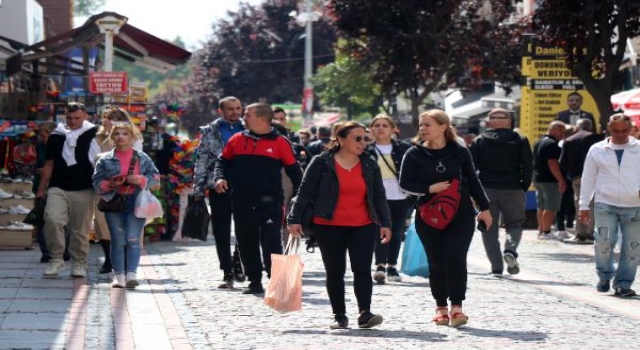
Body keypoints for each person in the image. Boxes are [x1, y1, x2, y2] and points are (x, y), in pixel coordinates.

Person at [288, 121, 391, 329]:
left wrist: (385, 222)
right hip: (328, 224)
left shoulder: (370, 163)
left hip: (363, 224)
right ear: (341, 139)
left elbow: (379, 195)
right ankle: (339, 315)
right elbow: (305, 192)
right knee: (335, 271)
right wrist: (293, 219)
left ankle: (365, 313)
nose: (363, 142)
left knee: (362, 269)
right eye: (357, 138)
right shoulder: (321, 162)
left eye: (365, 138)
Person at [399, 109, 491, 327]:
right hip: (428, 215)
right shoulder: (413, 153)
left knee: (456, 257)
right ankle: (440, 307)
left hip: (461, 214)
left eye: (427, 125)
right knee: (437, 262)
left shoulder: (459, 152)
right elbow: (405, 184)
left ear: (443, 126)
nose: (422, 129)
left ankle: (457, 307)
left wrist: (485, 208)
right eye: (421, 125)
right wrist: (430, 188)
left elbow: (473, 181)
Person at [213, 102, 303, 295]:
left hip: (271, 203)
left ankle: (277, 280)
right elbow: (223, 162)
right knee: (246, 242)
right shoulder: (237, 139)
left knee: (271, 242)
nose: (243, 117)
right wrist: (219, 178)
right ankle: (254, 280)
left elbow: (295, 172)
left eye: (247, 114)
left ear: (262, 119)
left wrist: (302, 198)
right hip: (242, 201)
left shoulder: (280, 143)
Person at [579, 113, 640, 297]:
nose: (620, 135)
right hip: (605, 202)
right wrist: (583, 205)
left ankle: (623, 283)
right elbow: (588, 177)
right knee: (603, 242)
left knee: (632, 247)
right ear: (608, 129)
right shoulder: (597, 149)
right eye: (616, 131)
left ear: (631, 129)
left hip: (634, 205)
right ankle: (604, 275)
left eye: (624, 131)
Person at [37, 102, 101, 278]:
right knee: (53, 219)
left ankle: (79, 263)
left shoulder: (94, 134)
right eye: (69, 118)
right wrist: (41, 189)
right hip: (58, 186)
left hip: (85, 187)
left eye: (77, 118)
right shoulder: (57, 136)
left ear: (85, 116)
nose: (73, 122)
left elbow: (101, 160)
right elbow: (49, 164)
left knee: (79, 229)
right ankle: (56, 259)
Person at [93, 122, 160, 288]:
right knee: (118, 240)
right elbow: (96, 181)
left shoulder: (142, 158)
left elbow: (156, 179)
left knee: (132, 239)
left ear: (132, 137)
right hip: (114, 202)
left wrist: (142, 179)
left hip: (136, 202)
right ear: (112, 137)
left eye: (125, 134)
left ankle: (131, 275)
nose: (121, 137)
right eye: (117, 134)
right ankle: (119, 276)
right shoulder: (105, 159)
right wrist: (111, 184)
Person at [469, 108, 532, 276]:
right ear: (509, 121)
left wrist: (473, 192)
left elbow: (470, 168)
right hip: (513, 188)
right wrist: (523, 186)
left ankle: (496, 267)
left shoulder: (479, 140)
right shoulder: (520, 139)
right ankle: (510, 250)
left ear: (490, 122)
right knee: (514, 224)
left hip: (486, 189)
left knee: (488, 227)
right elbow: (527, 166)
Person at [192, 96, 246, 289]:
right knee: (221, 230)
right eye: (230, 109)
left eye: (238, 108)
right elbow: (202, 160)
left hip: (245, 185)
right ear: (220, 111)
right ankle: (227, 271)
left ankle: (239, 261)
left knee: (246, 228)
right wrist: (198, 189)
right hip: (218, 185)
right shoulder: (210, 132)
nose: (235, 112)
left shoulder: (249, 129)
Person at [93, 106, 144, 274]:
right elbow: (92, 160)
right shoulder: (98, 138)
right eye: (106, 118)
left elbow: (139, 159)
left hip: (129, 187)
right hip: (106, 187)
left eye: (112, 118)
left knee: (129, 224)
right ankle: (109, 259)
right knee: (103, 223)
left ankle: (128, 263)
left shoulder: (134, 137)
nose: (107, 121)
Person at [367, 115, 412, 284]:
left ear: (393, 129)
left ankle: (392, 265)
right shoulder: (366, 149)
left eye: (385, 125)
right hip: (377, 196)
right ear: (371, 129)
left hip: (400, 195)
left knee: (397, 230)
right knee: (381, 229)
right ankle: (380, 265)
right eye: (376, 125)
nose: (380, 128)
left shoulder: (404, 148)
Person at [559, 118, 602, 244]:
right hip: (595, 176)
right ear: (590, 127)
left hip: (577, 176)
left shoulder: (569, 140)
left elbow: (562, 162)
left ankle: (580, 233)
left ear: (577, 127)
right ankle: (591, 232)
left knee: (579, 203)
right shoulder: (598, 139)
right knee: (593, 204)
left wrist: (571, 174)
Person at [532, 121, 566, 240]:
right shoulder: (552, 144)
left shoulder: (538, 142)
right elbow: (552, 162)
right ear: (554, 130)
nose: (563, 135)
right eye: (562, 131)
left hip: (538, 179)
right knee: (550, 206)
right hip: (550, 180)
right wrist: (561, 179)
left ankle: (541, 230)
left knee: (541, 206)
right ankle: (546, 232)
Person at [33, 122, 58, 263]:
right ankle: (46, 252)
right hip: (41, 186)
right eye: (40, 136)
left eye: (44, 136)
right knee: (42, 219)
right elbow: (35, 165)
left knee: (57, 220)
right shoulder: (39, 147)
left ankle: (62, 250)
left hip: (57, 186)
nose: (42, 138)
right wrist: (38, 170)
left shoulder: (61, 146)